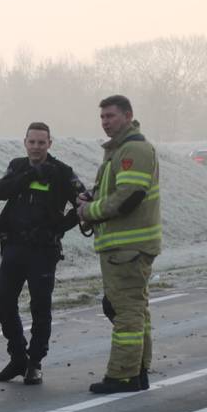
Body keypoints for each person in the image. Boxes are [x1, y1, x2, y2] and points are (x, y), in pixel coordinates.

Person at [78, 95, 161, 394]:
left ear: (128, 115)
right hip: (124, 248)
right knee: (136, 310)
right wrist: (93, 198)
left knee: (125, 311)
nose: (105, 122)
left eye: (111, 116)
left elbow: (129, 196)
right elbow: (118, 191)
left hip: (128, 249)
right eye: (102, 117)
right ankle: (138, 371)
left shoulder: (133, 150)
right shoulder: (120, 150)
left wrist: (89, 211)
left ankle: (123, 375)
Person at [0, 122, 82, 385]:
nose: (36, 147)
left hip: (43, 251)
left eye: (41, 143)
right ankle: (18, 356)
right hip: (14, 248)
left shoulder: (63, 172)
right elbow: (0, 191)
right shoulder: (18, 166)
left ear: (49, 144)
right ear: (25, 142)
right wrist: (30, 176)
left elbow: (83, 203)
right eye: (32, 142)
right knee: (3, 301)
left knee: (40, 307)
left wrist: (59, 228)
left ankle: (35, 362)